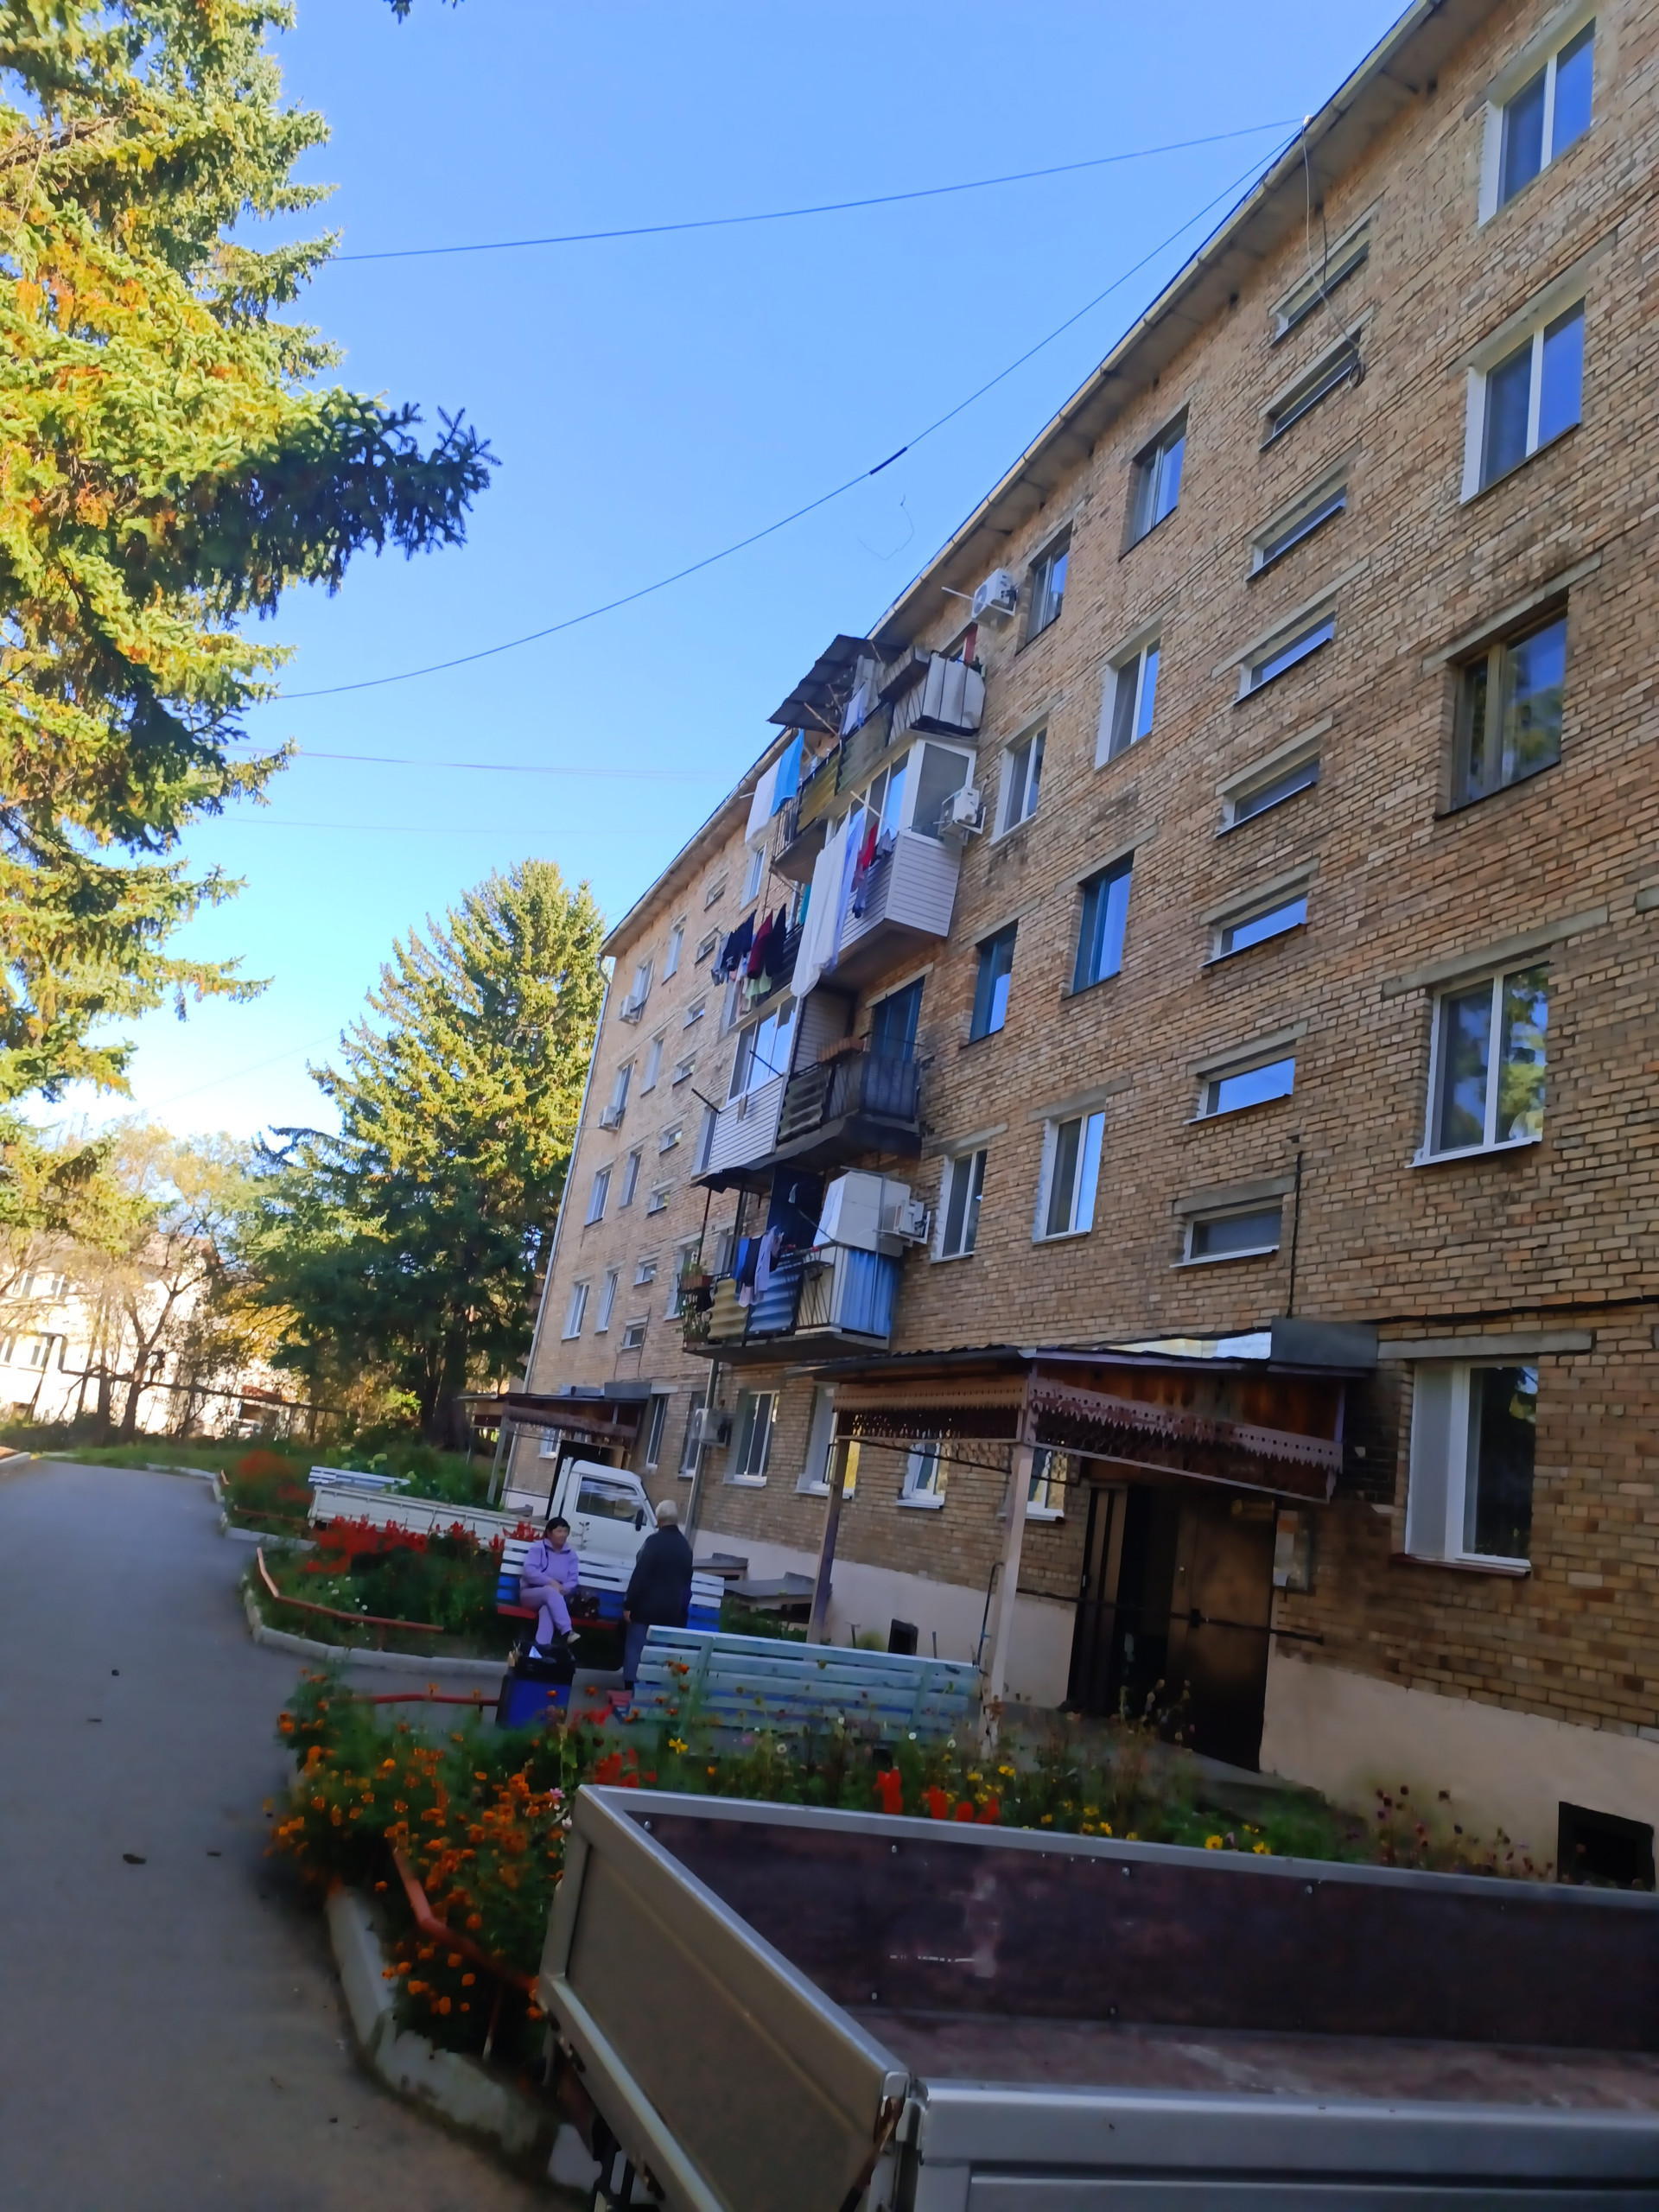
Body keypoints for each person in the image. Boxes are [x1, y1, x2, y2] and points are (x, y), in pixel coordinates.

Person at [621, 1497, 693, 1685]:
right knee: (659, 1652)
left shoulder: (653, 1542)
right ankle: (653, 1687)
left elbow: (640, 1577)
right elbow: (687, 1583)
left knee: (636, 1649)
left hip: (645, 1609)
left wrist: (629, 1605)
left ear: (659, 1520)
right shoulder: (685, 1547)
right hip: (670, 1611)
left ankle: (631, 1686)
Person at [520, 1514, 581, 1657]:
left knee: (547, 1610)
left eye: (565, 1531)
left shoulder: (571, 1555)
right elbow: (529, 1572)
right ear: (549, 1532)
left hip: (556, 1598)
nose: (563, 1535)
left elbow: (573, 1579)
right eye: (559, 1531)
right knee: (549, 1590)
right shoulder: (538, 1548)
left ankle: (539, 1653)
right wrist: (550, 1582)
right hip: (531, 1594)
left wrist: (564, 1589)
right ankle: (567, 1631)